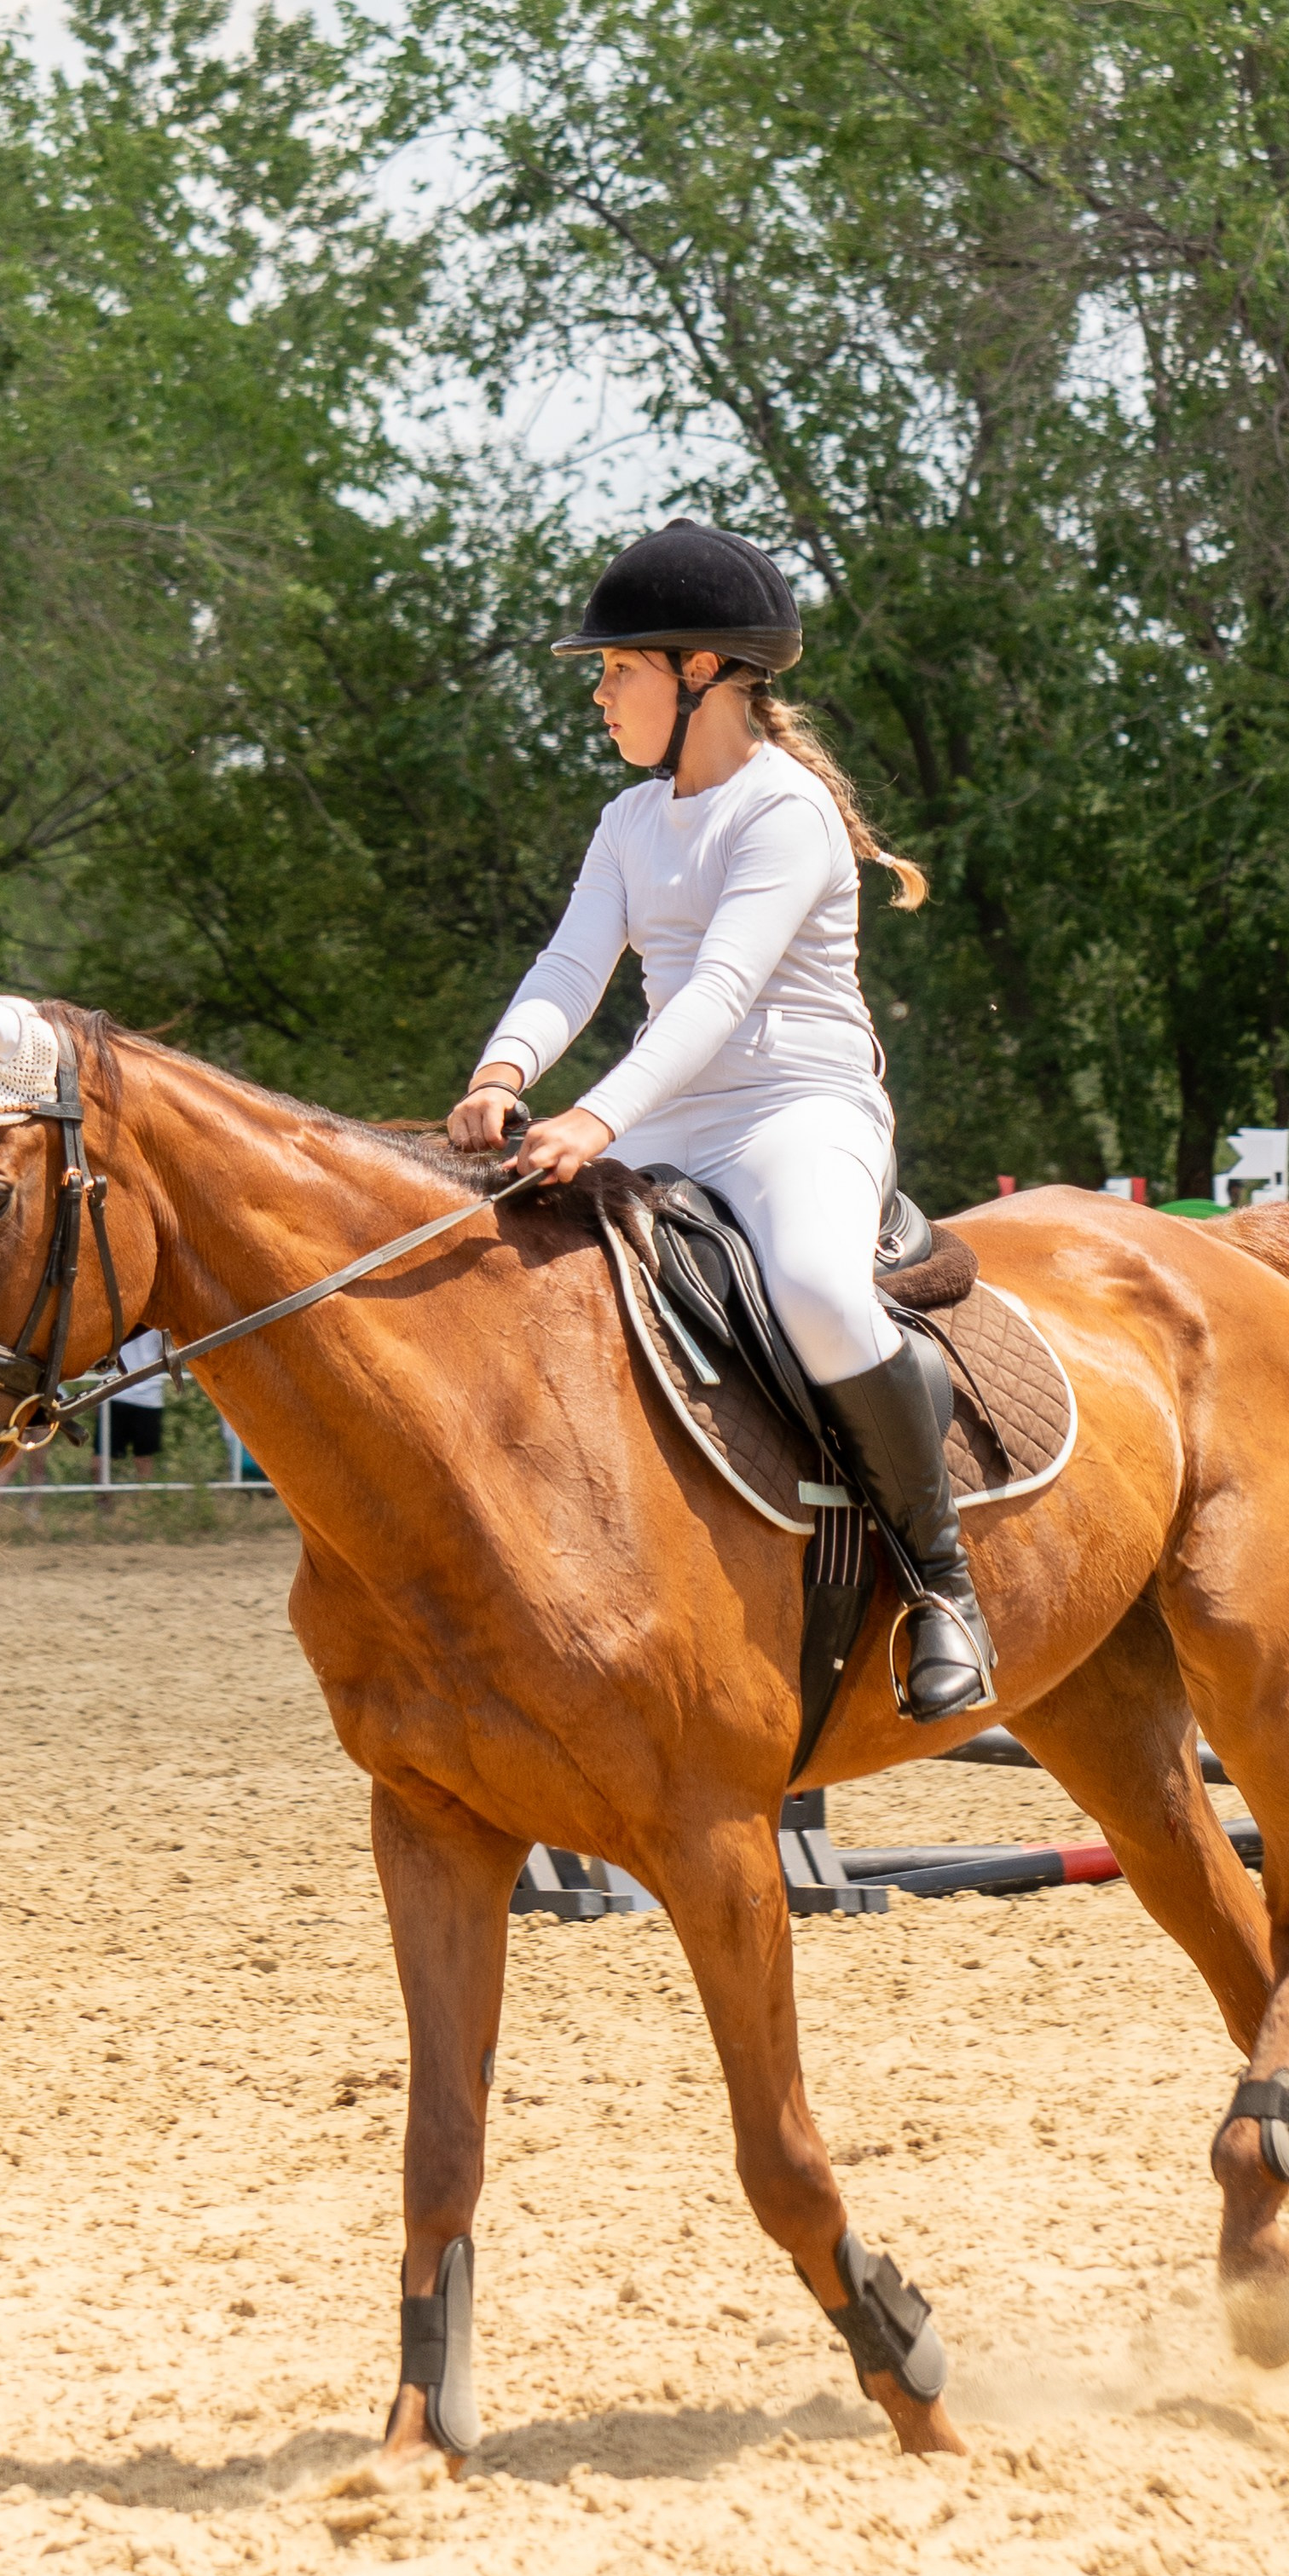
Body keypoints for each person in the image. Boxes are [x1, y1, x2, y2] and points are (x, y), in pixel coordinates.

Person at [446, 519, 993, 1721]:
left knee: (810, 1283)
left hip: (797, 1110)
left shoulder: (783, 811)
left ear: (702, 674)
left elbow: (716, 995)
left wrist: (589, 1116)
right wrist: (502, 1069)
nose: (599, 695)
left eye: (616, 670)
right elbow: (570, 961)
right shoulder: (630, 823)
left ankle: (942, 1580)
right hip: (665, 1121)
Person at [106, 1329, 170, 1482]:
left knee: (143, 1459)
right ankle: (104, 1504)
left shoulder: (159, 1319)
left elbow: (168, 1353)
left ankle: (143, 1504)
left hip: (148, 1396)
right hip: (114, 1393)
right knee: (101, 1462)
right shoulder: (118, 1313)